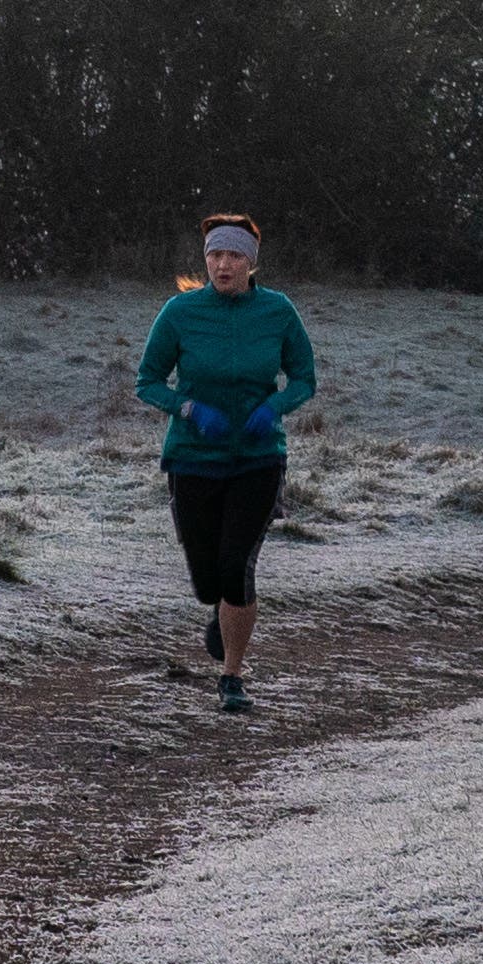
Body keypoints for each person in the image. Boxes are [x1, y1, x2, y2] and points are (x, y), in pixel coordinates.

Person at [135, 213, 316, 709]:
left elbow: (304, 378)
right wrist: (188, 408)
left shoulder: (278, 312)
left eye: (235, 256)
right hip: (193, 458)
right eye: (215, 255)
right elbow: (147, 380)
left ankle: (232, 676)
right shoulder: (179, 313)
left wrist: (273, 408)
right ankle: (216, 609)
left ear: (251, 263)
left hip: (258, 459)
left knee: (236, 566)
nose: (223, 264)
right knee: (205, 578)